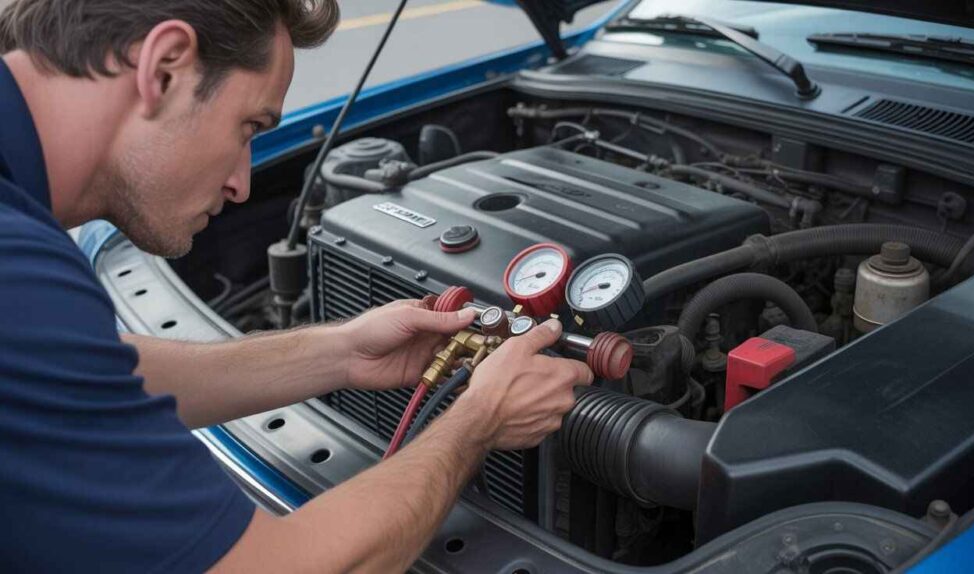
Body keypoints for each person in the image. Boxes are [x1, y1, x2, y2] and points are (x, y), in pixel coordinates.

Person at [0, 1, 593, 572]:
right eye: (249, 127)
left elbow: (89, 374)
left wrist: (340, 352)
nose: (242, 184)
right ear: (164, 67)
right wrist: (480, 420)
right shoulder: (19, 270)